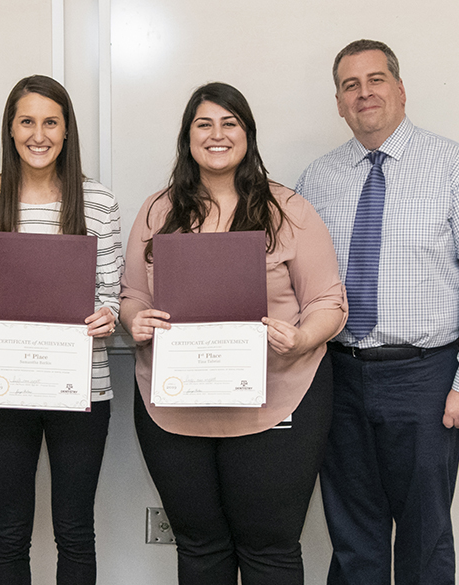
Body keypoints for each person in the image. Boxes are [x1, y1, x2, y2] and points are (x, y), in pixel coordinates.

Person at [296, 39, 459, 585]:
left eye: (375, 80)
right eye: (350, 85)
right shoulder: (317, 179)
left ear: (400, 89)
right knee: (352, 536)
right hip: (337, 375)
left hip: (426, 377)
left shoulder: (455, 168)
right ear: (339, 104)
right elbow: (293, 275)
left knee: (424, 533)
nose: (364, 93)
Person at [119, 82, 347, 585]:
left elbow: (328, 303)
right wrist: (134, 319)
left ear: (247, 135)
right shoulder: (157, 212)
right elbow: (132, 295)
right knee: (200, 549)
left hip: (277, 405)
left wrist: (303, 336)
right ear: (188, 137)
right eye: (204, 124)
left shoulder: (288, 210)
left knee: (270, 552)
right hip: (175, 409)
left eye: (230, 124)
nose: (217, 135)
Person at [0, 74, 123, 585]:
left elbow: (112, 296)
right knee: (8, 530)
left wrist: (107, 316)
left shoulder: (99, 203)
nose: (39, 134)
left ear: (67, 130)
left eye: (51, 122)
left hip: (82, 389)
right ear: (10, 129)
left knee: (75, 530)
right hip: (5, 389)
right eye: (27, 121)